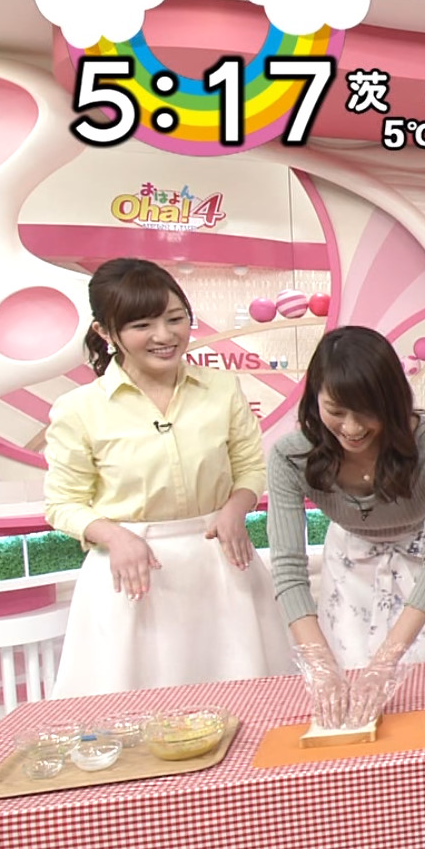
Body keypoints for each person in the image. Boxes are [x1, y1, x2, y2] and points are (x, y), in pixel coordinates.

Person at [44, 258, 290, 696]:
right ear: (105, 332)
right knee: (136, 709)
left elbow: (250, 468)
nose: (164, 336)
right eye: (142, 325)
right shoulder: (79, 409)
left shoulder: (222, 389)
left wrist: (236, 508)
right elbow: (63, 504)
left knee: (244, 697)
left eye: (175, 319)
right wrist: (115, 537)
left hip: (221, 565)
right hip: (130, 577)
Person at [267, 326, 425, 724]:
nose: (352, 428)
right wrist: (319, 661)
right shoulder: (290, 458)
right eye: (336, 411)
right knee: (351, 678)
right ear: (314, 399)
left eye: (367, 412)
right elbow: (288, 568)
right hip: (351, 566)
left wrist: (387, 661)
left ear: (393, 402)